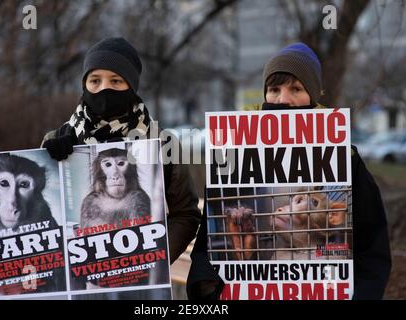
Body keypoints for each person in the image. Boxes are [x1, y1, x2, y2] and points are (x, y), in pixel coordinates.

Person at [186, 43, 391, 300]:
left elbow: (372, 244)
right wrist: (207, 288)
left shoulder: (343, 155)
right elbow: (209, 239)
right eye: (274, 89)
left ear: (312, 96)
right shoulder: (235, 150)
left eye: (296, 89)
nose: (283, 100)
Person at [41, 37, 201, 264]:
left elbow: (186, 213)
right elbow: (40, 219)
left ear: (131, 86)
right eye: (95, 80)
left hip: (141, 279)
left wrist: (156, 260)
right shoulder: (57, 139)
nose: (104, 88)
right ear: (85, 84)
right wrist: (47, 165)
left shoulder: (161, 141)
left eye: (116, 81)